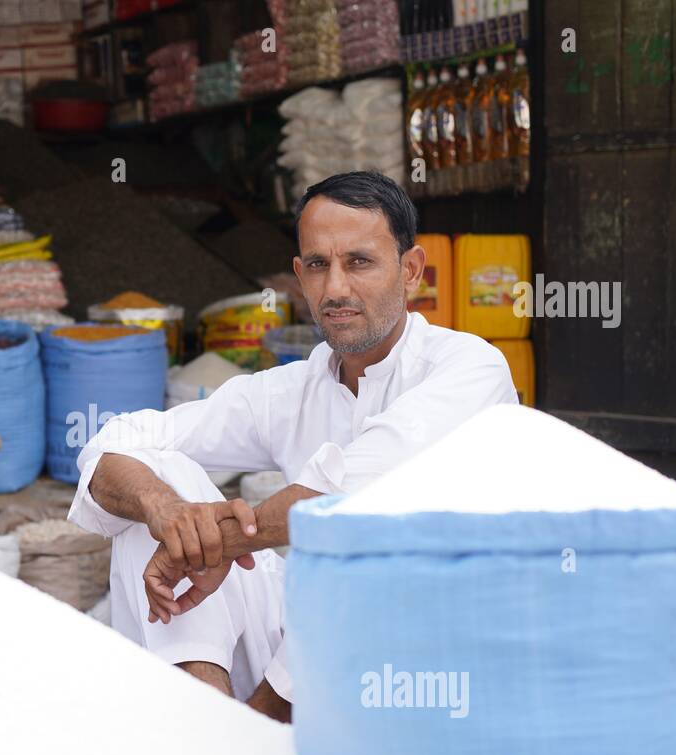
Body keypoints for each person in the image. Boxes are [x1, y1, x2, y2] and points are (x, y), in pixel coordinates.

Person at [69, 171, 519, 722]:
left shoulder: (468, 368)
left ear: (411, 271)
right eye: (317, 265)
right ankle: (209, 725)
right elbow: (114, 443)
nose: (335, 290)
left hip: (442, 659)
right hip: (325, 647)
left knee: (360, 545)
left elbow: (343, 501)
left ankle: (254, 741)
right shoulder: (292, 389)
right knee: (158, 483)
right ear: (298, 275)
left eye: (359, 262)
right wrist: (169, 515)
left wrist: (224, 544)